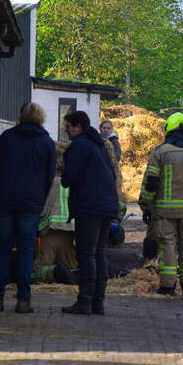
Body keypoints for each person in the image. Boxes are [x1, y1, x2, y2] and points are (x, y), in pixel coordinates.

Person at [0, 102, 56, 313]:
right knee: (27, 251)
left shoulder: (7, 137)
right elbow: (49, 177)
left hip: (4, 201)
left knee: (3, 250)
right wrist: (39, 199)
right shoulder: (46, 142)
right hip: (30, 203)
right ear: (40, 118)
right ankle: (23, 300)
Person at [139, 112, 183, 298]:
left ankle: (168, 286)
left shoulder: (160, 152)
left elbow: (151, 183)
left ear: (167, 130)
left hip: (164, 210)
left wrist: (145, 204)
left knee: (167, 244)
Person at [60, 110, 118, 315]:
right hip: (107, 205)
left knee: (86, 254)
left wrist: (63, 174)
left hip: (89, 207)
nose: (65, 130)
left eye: (68, 126)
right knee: (99, 252)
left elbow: (70, 177)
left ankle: (84, 301)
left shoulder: (80, 145)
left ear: (78, 127)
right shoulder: (99, 145)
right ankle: (97, 302)